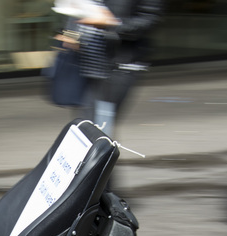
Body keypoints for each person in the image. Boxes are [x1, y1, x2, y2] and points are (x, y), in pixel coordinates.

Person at [54, 0, 163, 137]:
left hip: (119, 65)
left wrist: (112, 25)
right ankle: (95, 156)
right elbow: (77, 11)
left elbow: (149, 20)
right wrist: (69, 34)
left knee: (95, 127)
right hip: (84, 61)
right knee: (86, 126)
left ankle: (98, 156)